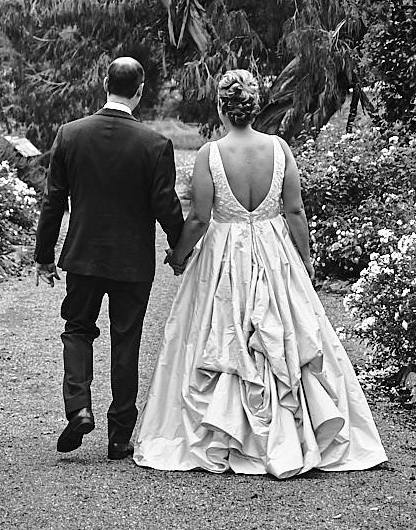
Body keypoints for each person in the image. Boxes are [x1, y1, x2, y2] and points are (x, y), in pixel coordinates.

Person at [133, 69, 388, 478]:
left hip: (223, 254)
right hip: (274, 251)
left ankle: (225, 429)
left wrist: (179, 256)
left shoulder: (210, 154)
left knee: (222, 333)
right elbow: (295, 210)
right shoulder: (279, 148)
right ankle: (295, 431)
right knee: (285, 332)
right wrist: (305, 259)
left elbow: (199, 218)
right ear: (254, 107)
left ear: (221, 107)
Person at [34, 57, 185, 459]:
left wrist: (44, 255)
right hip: (133, 263)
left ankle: (79, 407)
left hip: (83, 256)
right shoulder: (155, 144)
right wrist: (180, 248)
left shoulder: (71, 134)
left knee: (77, 329)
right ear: (141, 90)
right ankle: (119, 436)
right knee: (126, 341)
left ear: (105, 83)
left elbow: (53, 201)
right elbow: (167, 206)